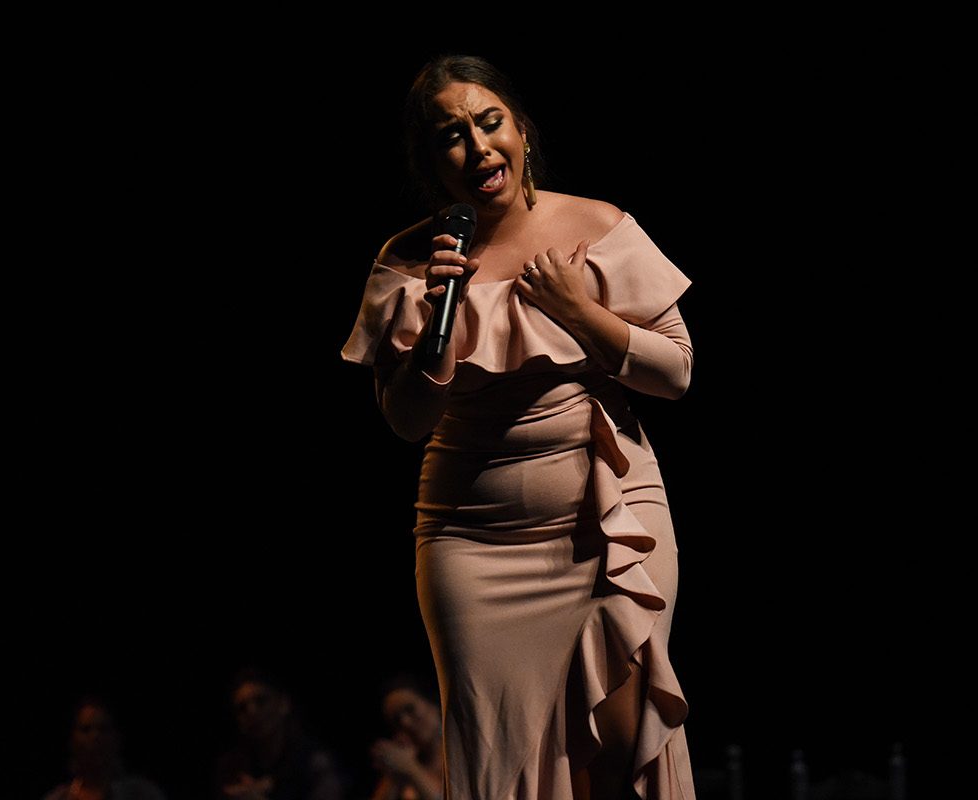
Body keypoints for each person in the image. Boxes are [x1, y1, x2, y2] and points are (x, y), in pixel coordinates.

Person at [340, 55, 697, 800]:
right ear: (430, 161)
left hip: (608, 521)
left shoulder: (598, 226)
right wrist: (439, 321)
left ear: (521, 130)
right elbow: (406, 424)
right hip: (471, 541)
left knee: (626, 740)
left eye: (489, 122)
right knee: (503, 763)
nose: (478, 149)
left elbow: (676, 371)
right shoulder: (408, 262)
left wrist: (580, 312)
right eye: (451, 137)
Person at [214, 667, 345, 800]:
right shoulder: (232, 769)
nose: (252, 712)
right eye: (242, 708)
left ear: (283, 704)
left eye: (261, 701)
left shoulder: (314, 763)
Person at [41, 695, 167, 800]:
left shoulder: (142, 795)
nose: (95, 736)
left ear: (116, 738)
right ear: (73, 741)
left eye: (103, 729)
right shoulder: (59, 798)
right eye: (86, 729)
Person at [368, 674, 444, 800]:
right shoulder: (405, 766)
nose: (405, 722)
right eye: (396, 720)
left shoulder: (462, 754)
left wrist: (411, 770)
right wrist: (393, 774)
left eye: (410, 709)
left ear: (434, 705)